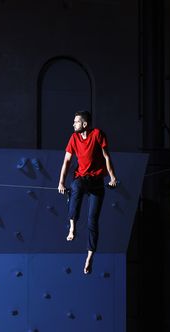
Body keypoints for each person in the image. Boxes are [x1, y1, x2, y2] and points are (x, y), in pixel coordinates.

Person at [58, 110, 118, 274]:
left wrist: (112, 177)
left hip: (97, 182)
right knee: (76, 189)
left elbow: (107, 157)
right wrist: (61, 182)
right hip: (81, 178)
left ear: (85, 124)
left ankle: (89, 257)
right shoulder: (74, 138)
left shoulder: (98, 134)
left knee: (93, 220)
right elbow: (67, 161)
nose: (73, 124)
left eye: (76, 122)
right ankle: (72, 227)